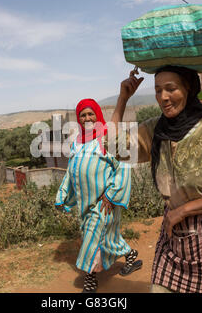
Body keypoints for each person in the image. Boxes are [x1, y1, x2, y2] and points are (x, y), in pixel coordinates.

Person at [109, 66, 202, 293]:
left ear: (188, 89)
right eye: (158, 90)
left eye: (171, 89)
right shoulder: (154, 131)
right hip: (175, 242)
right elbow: (113, 147)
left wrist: (182, 211)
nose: (163, 97)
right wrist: (123, 97)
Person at [55, 98, 142, 293]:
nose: (87, 118)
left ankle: (89, 280)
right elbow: (72, 170)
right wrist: (62, 195)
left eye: (90, 113)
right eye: (82, 115)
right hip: (85, 203)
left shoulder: (107, 138)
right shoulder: (77, 142)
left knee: (92, 238)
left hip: (105, 202)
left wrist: (111, 195)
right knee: (106, 238)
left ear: (97, 114)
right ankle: (130, 255)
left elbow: (124, 166)